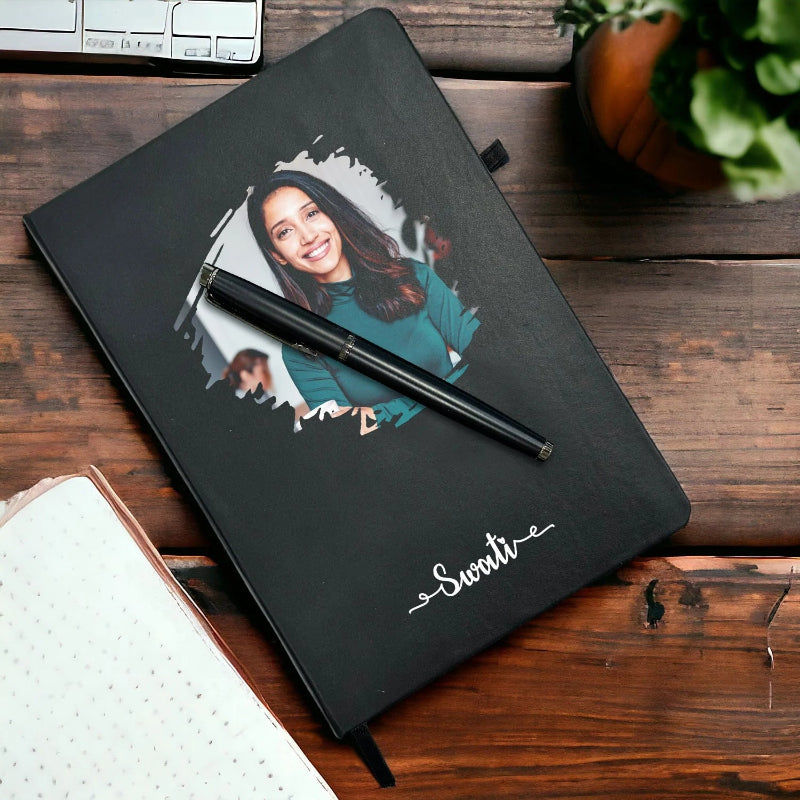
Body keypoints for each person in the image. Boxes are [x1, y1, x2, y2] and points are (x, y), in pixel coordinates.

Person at [246, 169, 479, 428]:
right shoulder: (299, 346)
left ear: (332, 214)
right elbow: (353, 435)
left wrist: (380, 413)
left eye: (311, 214)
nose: (308, 236)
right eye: (285, 232)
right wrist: (445, 393)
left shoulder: (412, 276)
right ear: (277, 254)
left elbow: (482, 353)